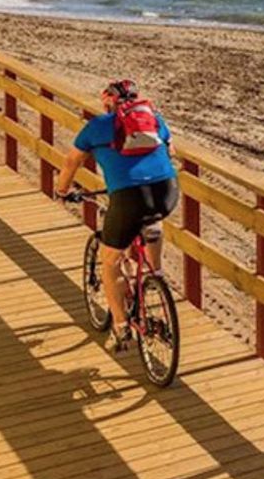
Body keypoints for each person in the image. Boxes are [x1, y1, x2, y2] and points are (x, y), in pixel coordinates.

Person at [55, 79, 179, 350]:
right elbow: (171, 150)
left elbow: (71, 161)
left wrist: (62, 191)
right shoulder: (154, 119)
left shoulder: (98, 126)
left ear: (108, 102)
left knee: (110, 260)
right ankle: (154, 275)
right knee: (151, 218)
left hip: (128, 197)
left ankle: (121, 327)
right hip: (167, 191)